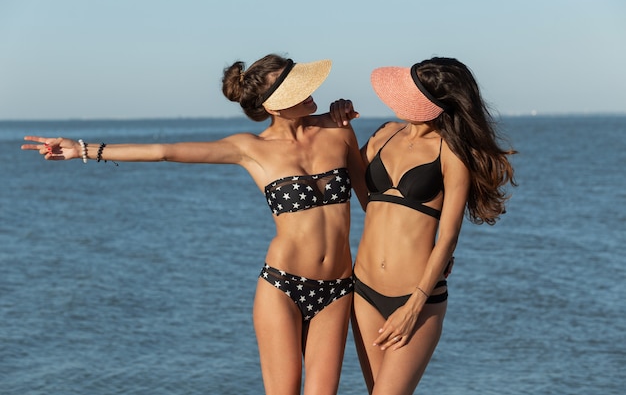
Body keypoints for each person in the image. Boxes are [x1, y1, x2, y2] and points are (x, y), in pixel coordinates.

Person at [22, 53, 368, 395]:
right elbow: (164, 151)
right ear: (274, 106)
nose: (310, 90)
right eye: (295, 87)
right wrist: (81, 149)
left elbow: (373, 199)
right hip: (283, 288)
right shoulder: (251, 148)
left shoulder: (338, 130)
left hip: (336, 288)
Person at [330, 57, 516, 394]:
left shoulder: (451, 153)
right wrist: (343, 127)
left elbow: (448, 236)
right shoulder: (385, 134)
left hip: (416, 299)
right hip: (364, 290)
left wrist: (413, 306)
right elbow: (363, 195)